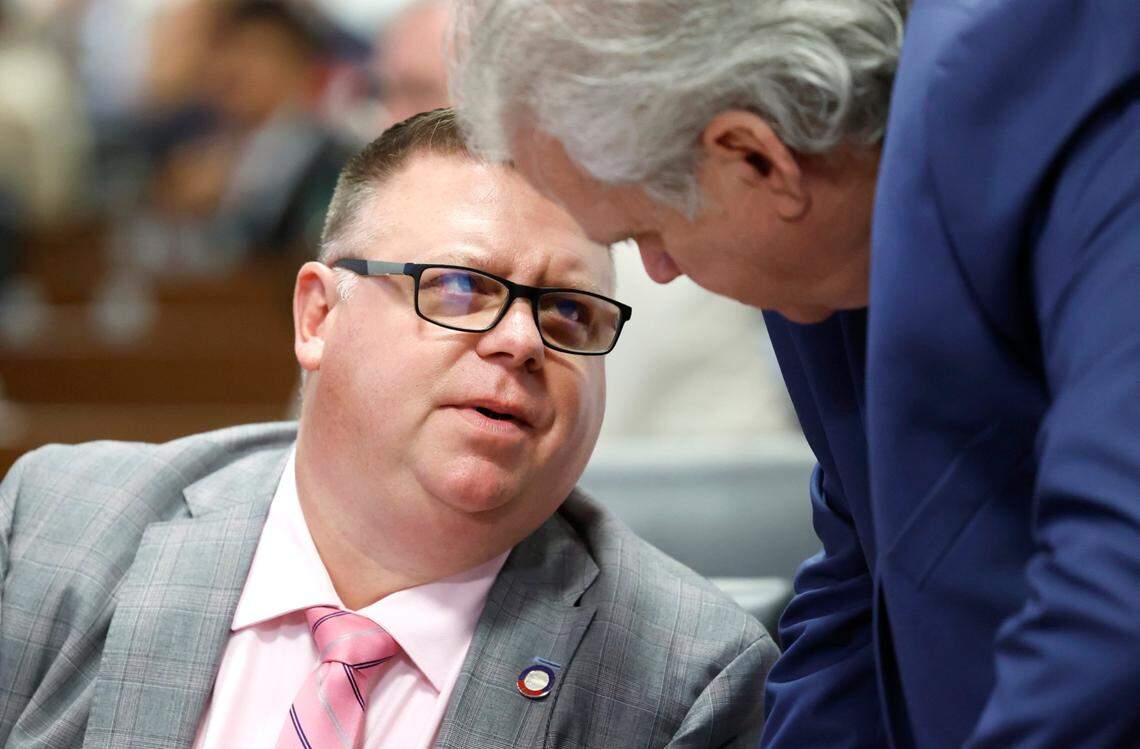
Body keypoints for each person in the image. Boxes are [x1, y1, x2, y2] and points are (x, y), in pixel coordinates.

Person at [450, 1, 1140, 747]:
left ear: (754, 157)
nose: (662, 268)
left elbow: (1117, 578)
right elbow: (866, 583)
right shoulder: (807, 247)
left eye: (647, 232)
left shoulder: (1064, 71)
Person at [0, 108, 777, 748]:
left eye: (570, 311)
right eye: (464, 286)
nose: (523, 341)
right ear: (318, 316)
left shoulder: (686, 680)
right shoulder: (57, 525)